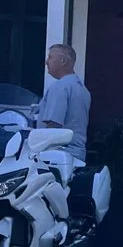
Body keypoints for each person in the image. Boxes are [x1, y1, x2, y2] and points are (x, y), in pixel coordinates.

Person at [37, 43, 95, 229]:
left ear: (63, 60)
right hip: (76, 155)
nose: (46, 62)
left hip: (55, 156)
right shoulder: (82, 89)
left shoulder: (60, 88)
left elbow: (52, 126)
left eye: (50, 57)